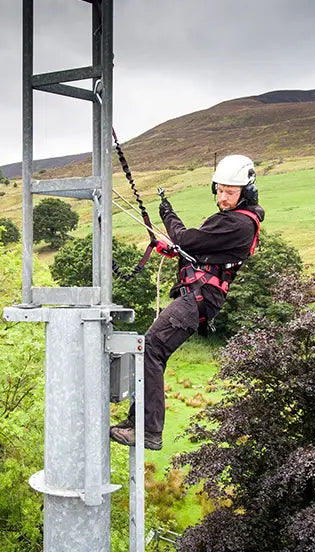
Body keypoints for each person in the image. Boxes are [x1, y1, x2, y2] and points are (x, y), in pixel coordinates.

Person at [110, 154, 265, 450]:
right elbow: (200, 252)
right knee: (152, 352)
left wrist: (168, 213)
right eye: (219, 190)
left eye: (230, 192)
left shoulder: (239, 224)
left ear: (246, 192)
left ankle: (148, 431)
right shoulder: (231, 220)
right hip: (197, 296)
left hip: (199, 298)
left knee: (151, 349)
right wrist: (174, 250)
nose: (222, 197)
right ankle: (136, 424)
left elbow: (187, 239)